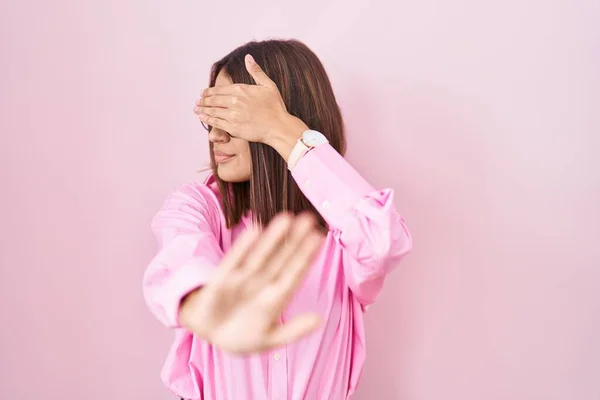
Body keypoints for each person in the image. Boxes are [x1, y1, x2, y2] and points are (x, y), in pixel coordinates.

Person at [142, 39, 412, 400]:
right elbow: (178, 259)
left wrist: (283, 131)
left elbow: (381, 242)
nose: (216, 135)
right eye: (212, 120)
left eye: (234, 117)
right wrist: (205, 312)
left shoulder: (342, 232)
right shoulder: (199, 207)